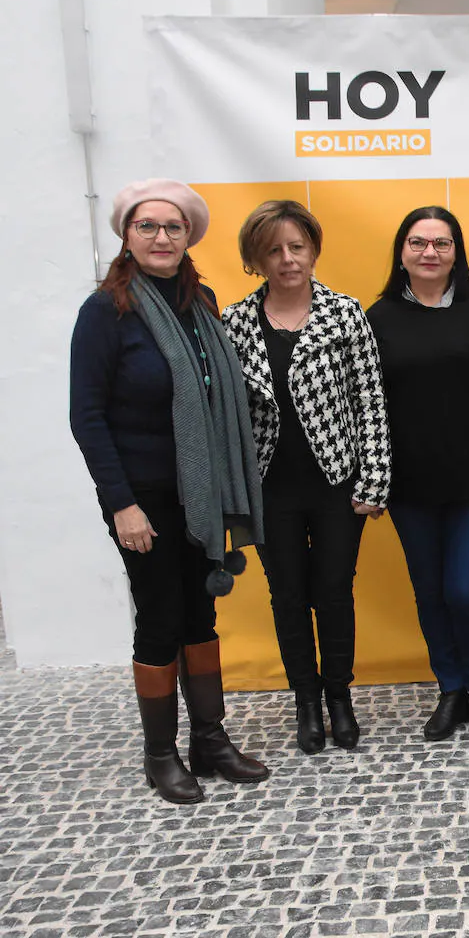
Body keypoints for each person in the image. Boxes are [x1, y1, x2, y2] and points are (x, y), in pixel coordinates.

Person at [70, 178, 269, 804]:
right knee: (159, 618)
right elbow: (87, 415)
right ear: (127, 237)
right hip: (143, 497)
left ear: (189, 237)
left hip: (198, 491)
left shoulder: (199, 302)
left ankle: (209, 741)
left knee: (200, 615)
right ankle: (161, 754)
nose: (161, 237)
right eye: (147, 226)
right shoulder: (107, 311)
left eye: (173, 227)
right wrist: (121, 504)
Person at [221, 200, 390, 755]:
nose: (287, 259)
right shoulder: (235, 322)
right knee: (287, 596)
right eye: (274, 250)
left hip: (337, 483)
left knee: (334, 592)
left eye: (297, 247)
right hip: (270, 488)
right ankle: (306, 703)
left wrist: (374, 481)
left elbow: (370, 402)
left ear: (314, 250)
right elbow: (228, 414)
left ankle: (340, 697)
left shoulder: (345, 313)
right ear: (257, 258)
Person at [367, 207, 469, 743]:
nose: (429, 252)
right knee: (430, 593)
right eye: (418, 242)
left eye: (441, 242)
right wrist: (375, 479)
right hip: (410, 486)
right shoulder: (379, 317)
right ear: (401, 251)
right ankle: (451, 690)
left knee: (466, 591)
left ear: (457, 251)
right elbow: (371, 406)